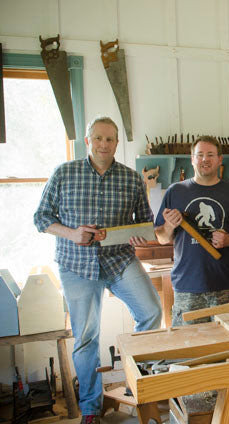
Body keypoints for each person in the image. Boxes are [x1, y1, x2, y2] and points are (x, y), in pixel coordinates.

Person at [34, 116, 162, 423]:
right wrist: (73, 233)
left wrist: (135, 233)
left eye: (110, 139)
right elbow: (41, 218)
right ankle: (90, 408)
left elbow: (146, 225)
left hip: (119, 259)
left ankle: (135, 379)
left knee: (151, 312)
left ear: (117, 143)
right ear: (88, 141)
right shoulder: (64, 173)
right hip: (76, 265)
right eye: (98, 138)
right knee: (86, 337)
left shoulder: (132, 178)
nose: (104, 144)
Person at [154, 136, 229, 326]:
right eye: (199, 155)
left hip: (226, 286)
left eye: (210, 155)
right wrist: (169, 225)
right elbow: (161, 237)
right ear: (192, 159)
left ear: (219, 159)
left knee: (228, 346)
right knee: (189, 349)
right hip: (187, 287)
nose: (204, 160)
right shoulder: (175, 191)